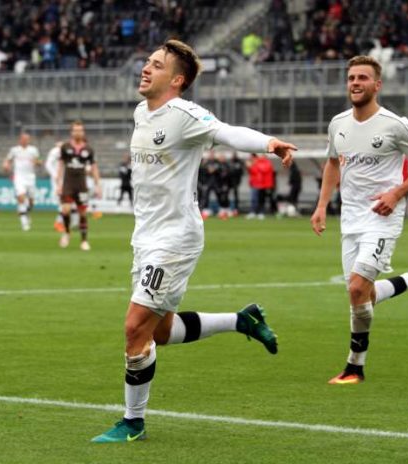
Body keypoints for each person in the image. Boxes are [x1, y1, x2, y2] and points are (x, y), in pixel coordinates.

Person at [91, 39, 296, 444]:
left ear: (177, 79)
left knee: (135, 329)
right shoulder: (140, 113)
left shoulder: (184, 114)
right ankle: (243, 320)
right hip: (145, 238)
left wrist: (268, 143)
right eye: (147, 61)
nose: (146, 69)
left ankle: (133, 422)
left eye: (157, 65)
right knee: (161, 333)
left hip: (175, 238)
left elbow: (226, 132)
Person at [310, 55, 408, 386]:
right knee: (361, 295)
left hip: (383, 217)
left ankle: (355, 366)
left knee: (356, 289)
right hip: (349, 219)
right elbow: (333, 164)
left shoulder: (396, 125)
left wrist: (395, 194)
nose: (355, 83)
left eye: (362, 78)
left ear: (376, 85)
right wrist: (322, 205)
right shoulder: (338, 123)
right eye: (351, 77)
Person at [56, 121, 101, 251]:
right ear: (71, 132)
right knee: (66, 210)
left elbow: (94, 168)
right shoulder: (65, 147)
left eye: (80, 130)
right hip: (68, 184)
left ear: (83, 132)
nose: (78, 132)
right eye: (75, 130)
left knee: (82, 213)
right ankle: (66, 232)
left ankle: (84, 240)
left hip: (81, 185)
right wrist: (58, 183)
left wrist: (98, 185)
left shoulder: (89, 149)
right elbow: (60, 165)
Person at [2, 133, 41, 231]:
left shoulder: (33, 150)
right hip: (19, 177)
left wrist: (37, 162)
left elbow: (40, 161)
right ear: (20, 140)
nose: (25, 141)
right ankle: (24, 223)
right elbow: (8, 160)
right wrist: (6, 165)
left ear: (29, 140)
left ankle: (26, 213)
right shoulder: (14, 150)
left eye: (27, 139)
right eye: (23, 139)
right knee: (21, 197)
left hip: (30, 177)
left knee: (31, 202)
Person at [45, 141, 65, 232]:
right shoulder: (55, 151)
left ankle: (62, 223)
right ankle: (58, 223)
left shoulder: (70, 150)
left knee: (69, 202)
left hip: (68, 179)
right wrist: (55, 175)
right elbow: (48, 164)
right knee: (63, 201)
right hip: (57, 180)